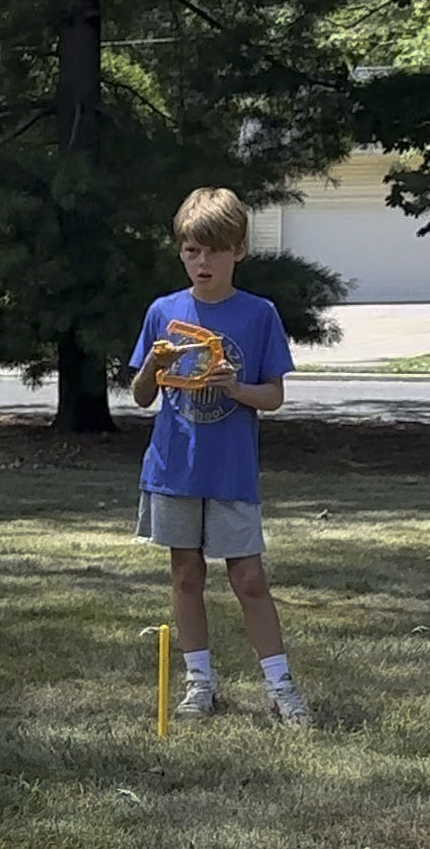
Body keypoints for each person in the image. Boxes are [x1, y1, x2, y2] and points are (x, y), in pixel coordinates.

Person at [129, 186, 309, 725]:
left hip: (230, 472)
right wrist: (151, 366)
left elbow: (273, 397)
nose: (202, 262)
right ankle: (198, 683)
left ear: (238, 250)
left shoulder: (258, 315)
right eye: (191, 251)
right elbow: (142, 396)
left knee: (249, 578)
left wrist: (236, 388)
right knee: (186, 574)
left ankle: (280, 687)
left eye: (213, 250)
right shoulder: (164, 312)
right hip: (174, 469)